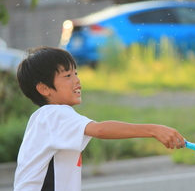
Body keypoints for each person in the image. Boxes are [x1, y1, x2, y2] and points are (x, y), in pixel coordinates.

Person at [14, 46, 185, 191]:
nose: (77, 81)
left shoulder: (44, 118)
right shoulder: (54, 114)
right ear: (44, 89)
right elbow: (100, 129)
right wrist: (154, 130)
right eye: (67, 76)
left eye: (76, 73)